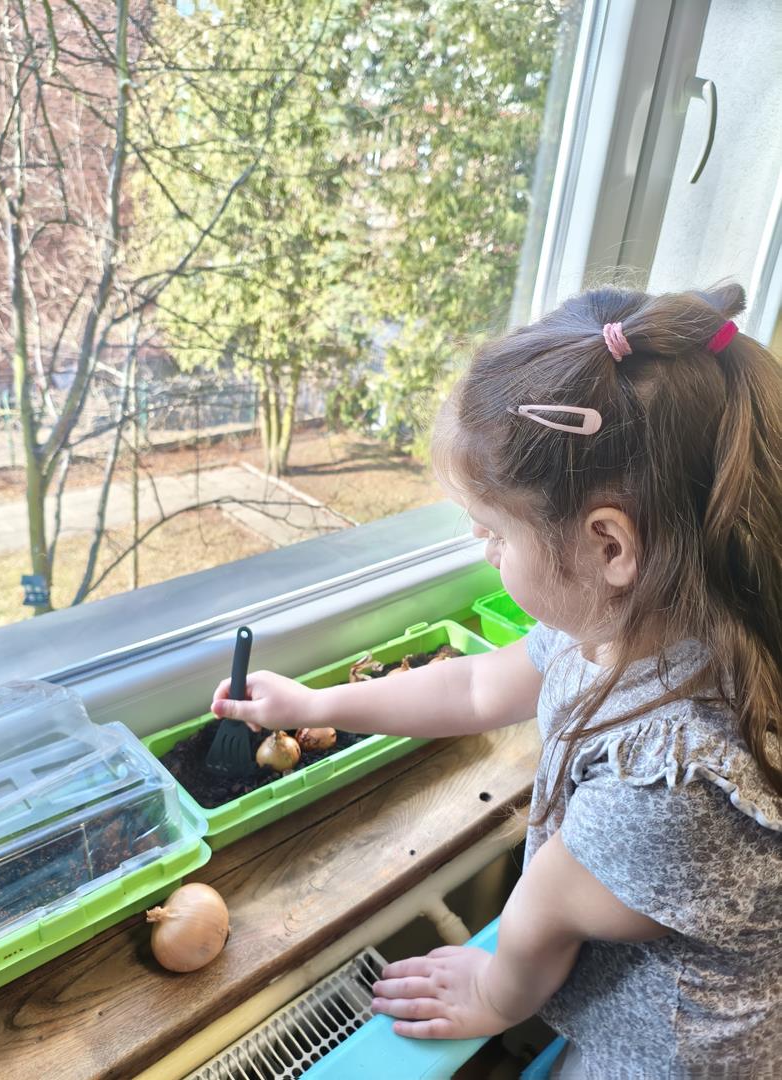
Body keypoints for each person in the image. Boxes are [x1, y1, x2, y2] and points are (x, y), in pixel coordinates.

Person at [211, 284, 782, 1078]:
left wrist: (490, 995)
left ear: (610, 547)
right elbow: (478, 687)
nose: (483, 550)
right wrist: (318, 701)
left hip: (670, 1060)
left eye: (495, 533)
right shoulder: (632, 624)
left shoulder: (673, 782)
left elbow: (541, 917)